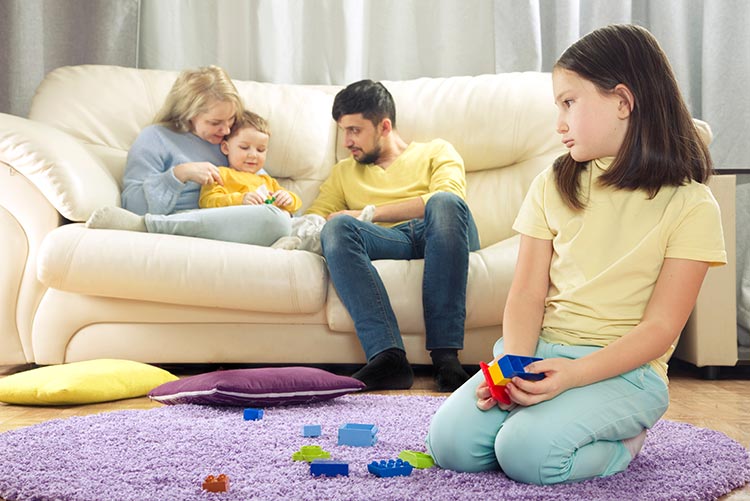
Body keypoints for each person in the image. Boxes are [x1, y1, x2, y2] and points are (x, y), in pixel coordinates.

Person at [425, 24, 726, 485]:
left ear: (623, 102)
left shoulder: (691, 204)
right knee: (450, 445)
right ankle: (549, 420)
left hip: (625, 372)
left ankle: (622, 443)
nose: (559, 123)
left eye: (569, 103)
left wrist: (573, 375)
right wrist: (513, 370)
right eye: (557, 107)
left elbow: (661, 327)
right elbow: (526, 292)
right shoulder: (552, 184)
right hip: (541, 354)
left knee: (525, 454)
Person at [305, 79, 481, 393]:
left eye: (355, 130)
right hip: (389, 241)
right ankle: (388, 357)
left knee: (444, 203)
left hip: (442, 231)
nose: (346, 141)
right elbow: (318, 217)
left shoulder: (436, 151)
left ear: (384, 126)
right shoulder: (344, 172)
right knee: (336, 229)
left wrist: (366, 214)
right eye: (343, 131)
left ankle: (446, 358)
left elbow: (449, 197)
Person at [86, 66, 292, 246]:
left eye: (231, 119)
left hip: (233, 221)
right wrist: (179, 174)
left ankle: (149, 228)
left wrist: (282, 203)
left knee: (283, 220)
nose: (226, 129)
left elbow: (261, 184)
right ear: (188, 114)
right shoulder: (155, 138)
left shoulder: (232, 141)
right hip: (185, 217)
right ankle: (150, 226)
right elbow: (133, 206)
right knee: (275, 221)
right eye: (215, 122)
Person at [199, 109, 302, 214]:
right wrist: (240, 200)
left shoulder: (268, 181)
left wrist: (289, 199)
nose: (253, 155)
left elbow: (297, 204)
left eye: (260, 150)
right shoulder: (220, 174)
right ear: (226, 148)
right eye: (244, 147)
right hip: (245, 223)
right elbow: (207, 201)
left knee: (313, 220)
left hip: (274, 222)